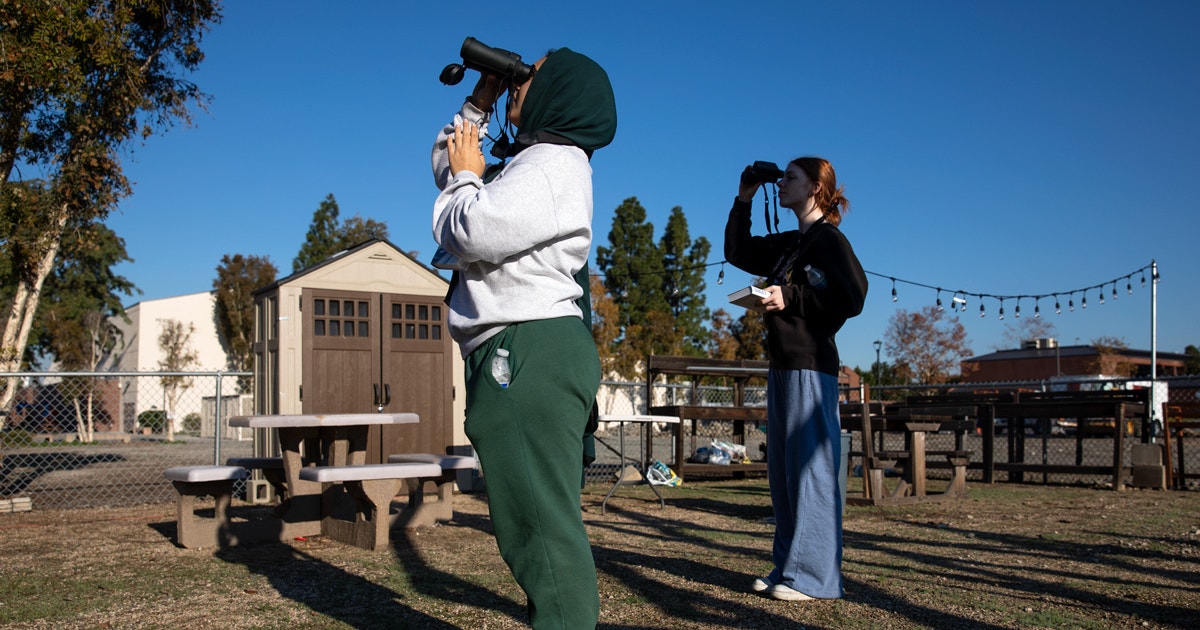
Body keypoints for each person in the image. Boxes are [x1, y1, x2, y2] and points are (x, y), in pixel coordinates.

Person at [430, 46, 616, 629]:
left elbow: (469, 226)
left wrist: (466, 175)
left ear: (559, 92)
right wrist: (477, 104)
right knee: (538, 528)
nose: (518, 83)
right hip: (525, 346)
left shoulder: (552, 164)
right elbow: (452, 176)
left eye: (528, 77)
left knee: (541, 535)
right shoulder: (539, 163)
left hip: (526, 348)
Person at [724, 157, 867, 601]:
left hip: (811, 365)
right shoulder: (795, 242)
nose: (781, 183)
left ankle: (815, 579)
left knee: (812, 473)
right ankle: (789, 568)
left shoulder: (828, 239)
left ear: (815, 188)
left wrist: (792, 295)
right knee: (785, 475)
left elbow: (854, 294)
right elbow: (738, 251)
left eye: (791, 178)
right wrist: (745, 196)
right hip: (784, 365)